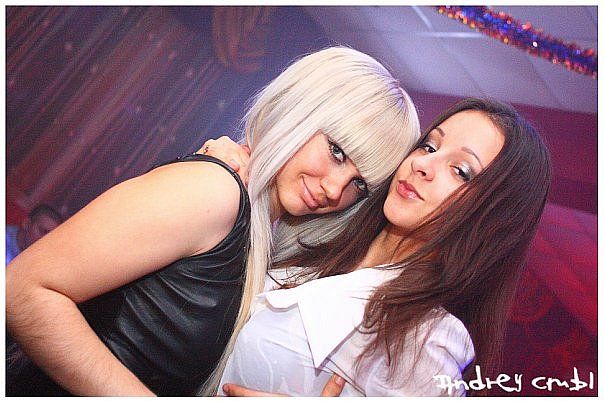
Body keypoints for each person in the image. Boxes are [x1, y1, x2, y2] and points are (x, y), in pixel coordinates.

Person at [5, 47, 420, 396]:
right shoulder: (217, 191)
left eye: (359, 184)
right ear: (301, 110)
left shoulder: (262, 236)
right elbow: (25, 290)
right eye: (337, 151)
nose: (334, 189)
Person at [209, 98, 551, 396]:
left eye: (460, 171)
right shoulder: (325, 228)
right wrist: (227, 169)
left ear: (491, 218)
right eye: (429, 146)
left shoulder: (425, 338)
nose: (422, 165)